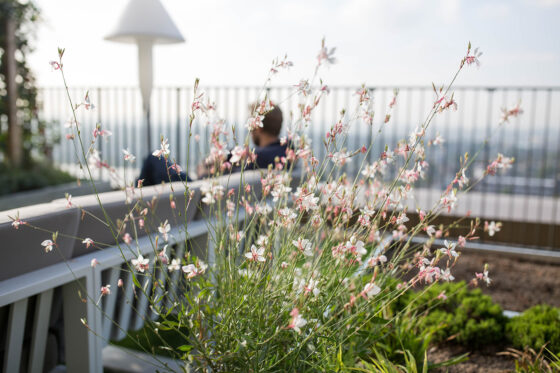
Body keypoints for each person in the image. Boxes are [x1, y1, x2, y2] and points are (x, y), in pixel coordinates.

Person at [197, 104, 289, 178]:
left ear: (258, 127)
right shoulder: (287, 152)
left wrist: (203, 174)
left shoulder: (257, 158)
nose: (250, 130)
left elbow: (232, 180)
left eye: (250, 123)